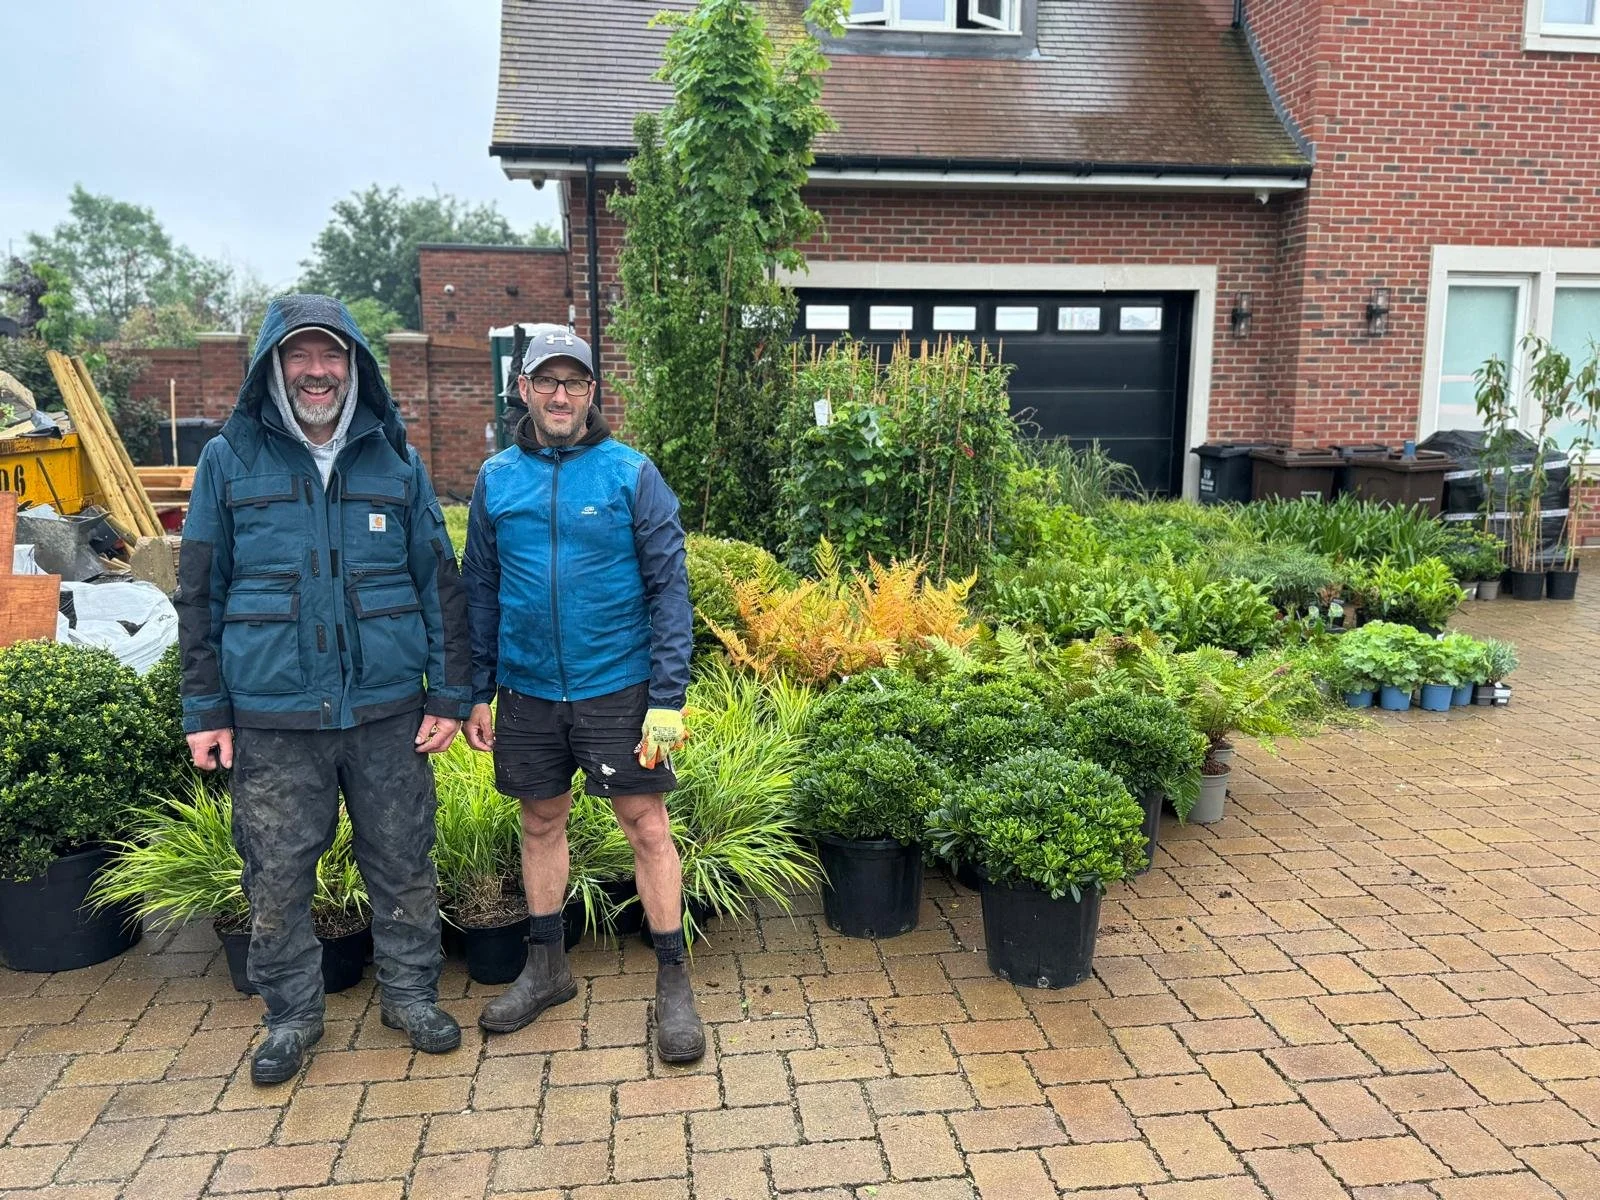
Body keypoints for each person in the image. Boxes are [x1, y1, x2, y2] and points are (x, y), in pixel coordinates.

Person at [176, 294, 473, 1085]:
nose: (317, 371)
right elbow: (199, 593)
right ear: (275, 364)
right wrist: (204, 710)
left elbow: (440, 585)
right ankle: (291, 1017)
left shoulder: (395, 460)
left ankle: (409, 994)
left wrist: (448, 694)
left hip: (386, 715)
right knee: (274, 875)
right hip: (273, 720)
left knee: (404, 859)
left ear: (354, 366)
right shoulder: (228, 461)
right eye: (300, 356)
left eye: (332, 356)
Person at [461, 327, 702, 1062]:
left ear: (594, 393)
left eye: (575, 382)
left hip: (618, 688)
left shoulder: (631, 474)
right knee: (541, 824)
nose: (560, 395)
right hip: (528, 690)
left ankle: (674, 981)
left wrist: (667, 697)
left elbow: (669, 589)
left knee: (647, 827)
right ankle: (547, 969)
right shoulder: (496, 480)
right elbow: (480, 591)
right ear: (524, 390)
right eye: (546, 381)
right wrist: (477, 690)